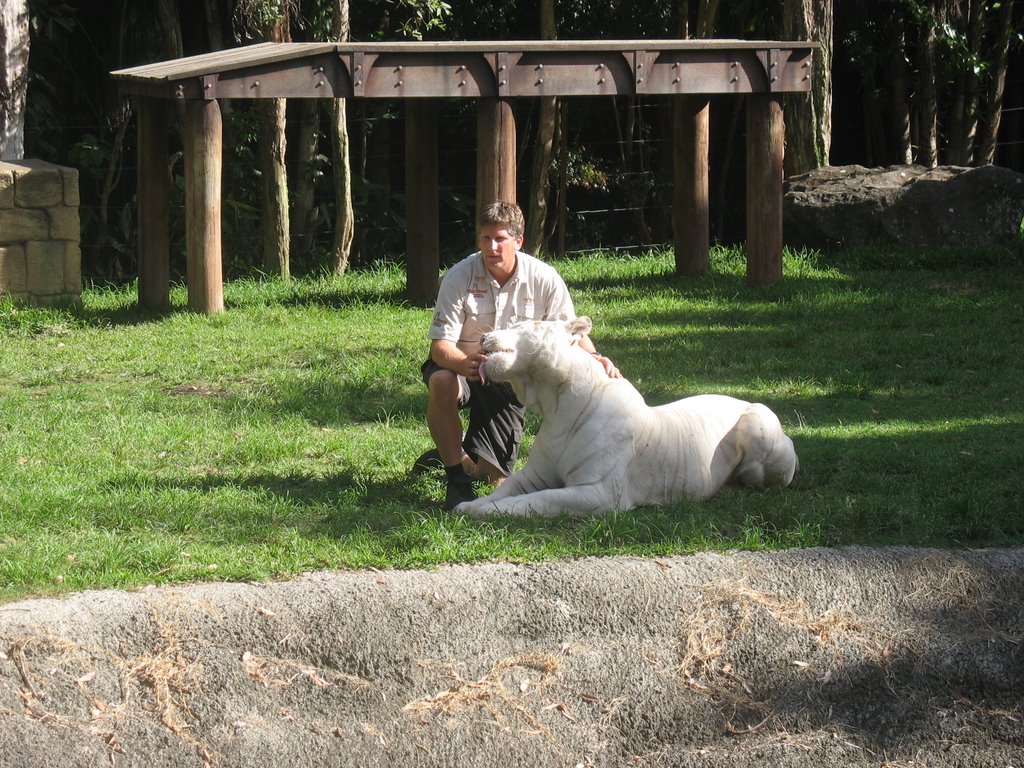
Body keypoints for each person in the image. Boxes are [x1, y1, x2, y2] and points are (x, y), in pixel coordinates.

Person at [415, 200, 621, 510]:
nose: (492, 246)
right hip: (463, 368)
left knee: (492, 477)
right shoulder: (459, 277)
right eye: (485, 238)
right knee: (442, 381)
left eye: (500, 238)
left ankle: (460, 458)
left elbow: (569, 334)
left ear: (518, 241)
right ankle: (455, 477)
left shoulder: (544, 278)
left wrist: (599, 359)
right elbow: (439, 347)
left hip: (509, 377)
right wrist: (464, 363)